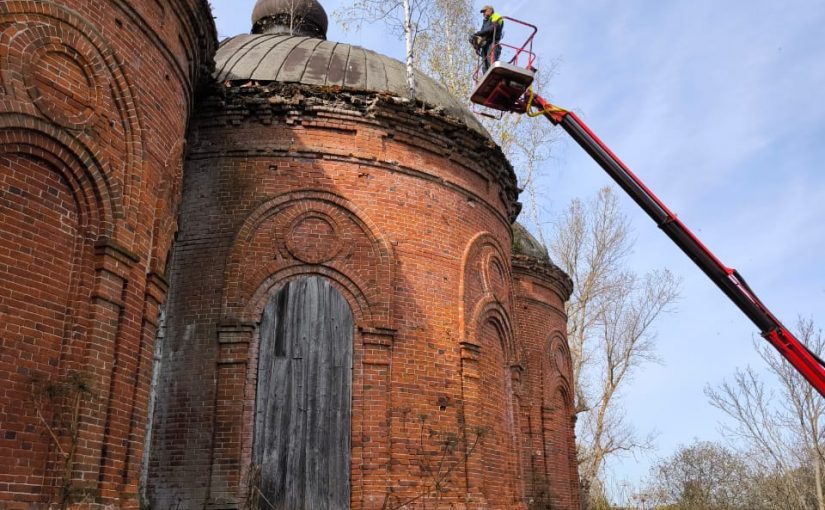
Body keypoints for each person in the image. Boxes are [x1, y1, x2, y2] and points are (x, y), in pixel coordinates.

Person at [473, 5, 504, 73]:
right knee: (484, 67)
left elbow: (492, 29)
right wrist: (477, 45)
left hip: (492, 43)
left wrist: (478, 33)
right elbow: (482, 35)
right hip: (485, 46)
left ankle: (494, 74)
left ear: (490, 10)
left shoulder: (495, 16)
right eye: (483, 13)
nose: (483, 14)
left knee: (491, 63)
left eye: (485, 11)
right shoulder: (485, 22)